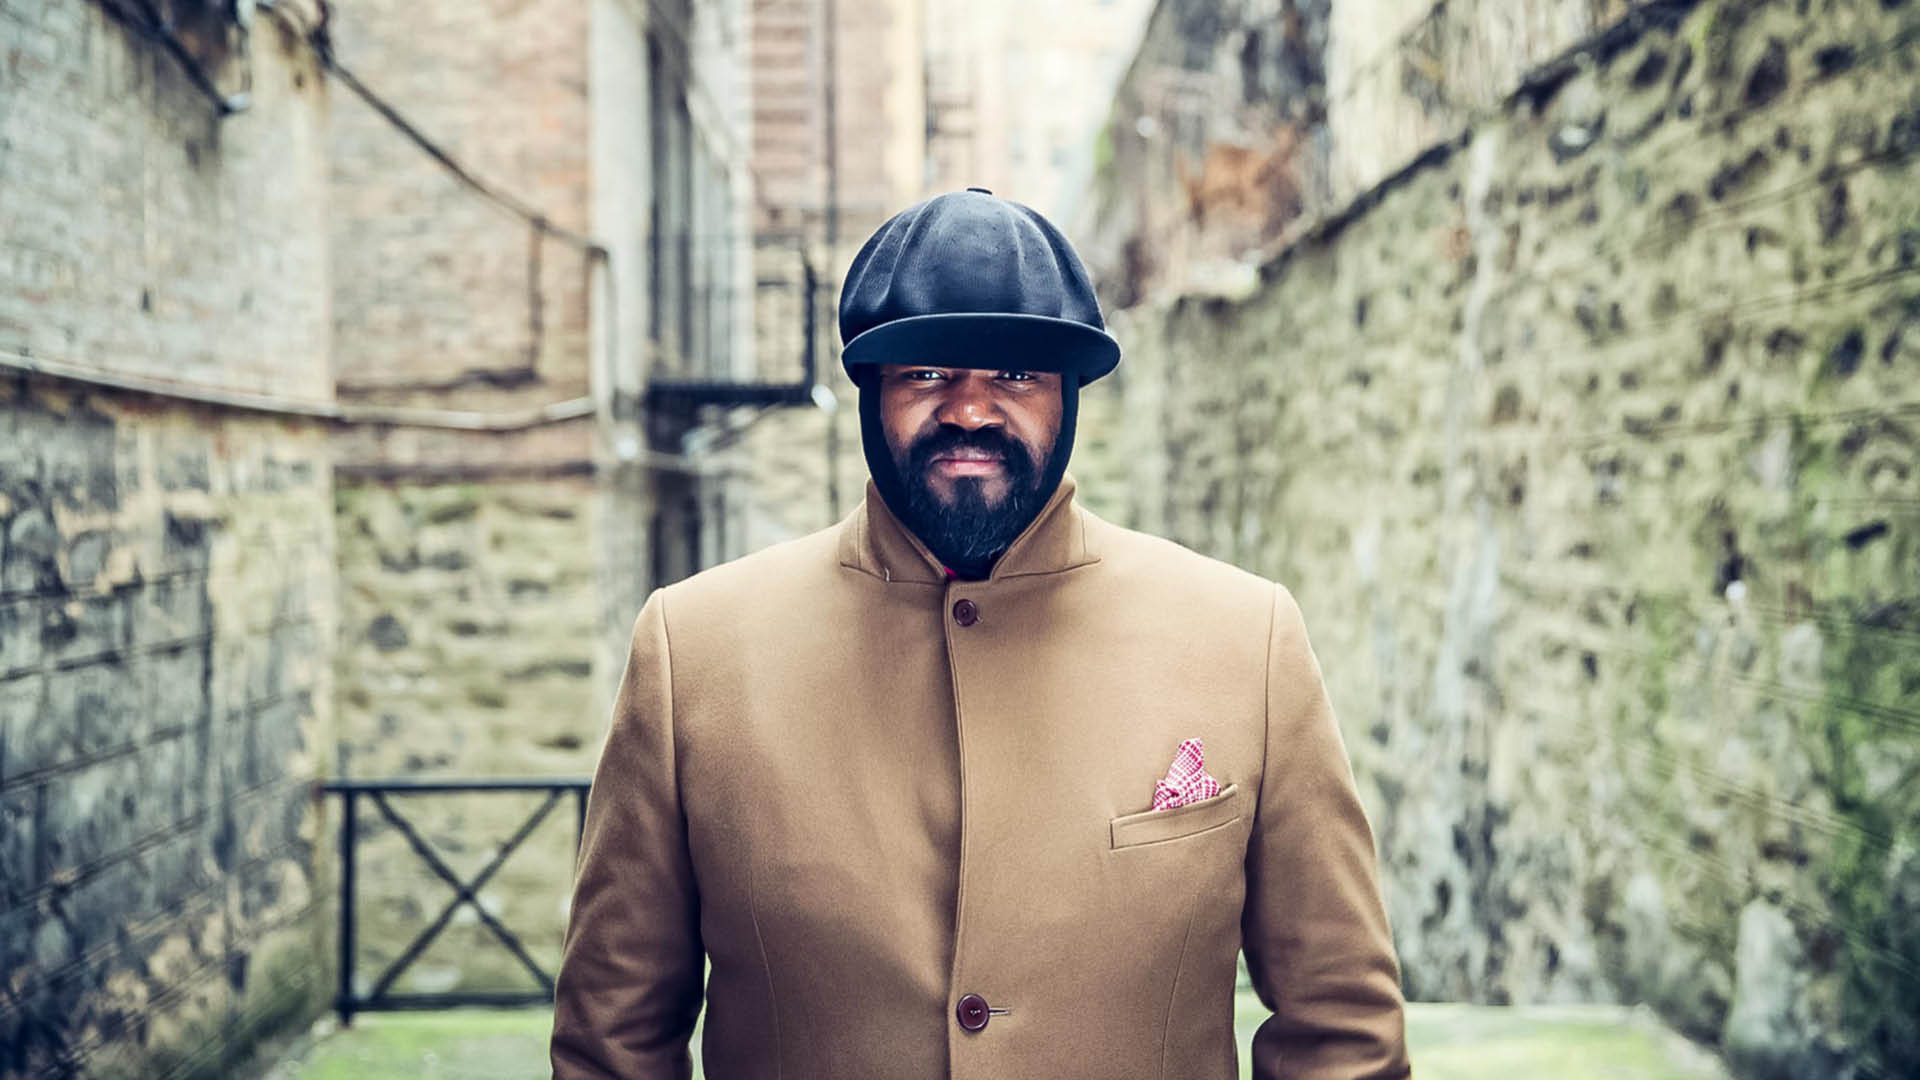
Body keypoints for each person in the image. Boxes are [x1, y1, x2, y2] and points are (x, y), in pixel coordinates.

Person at [550, 188, 1410, 1079]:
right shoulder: (693, 651)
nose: (969, 410)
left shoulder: (1246, 638)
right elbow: (611, 1046)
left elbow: (1343, 1035)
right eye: (926, 374)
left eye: (1015, 375)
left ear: (1068, 397)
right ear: (870, 391)